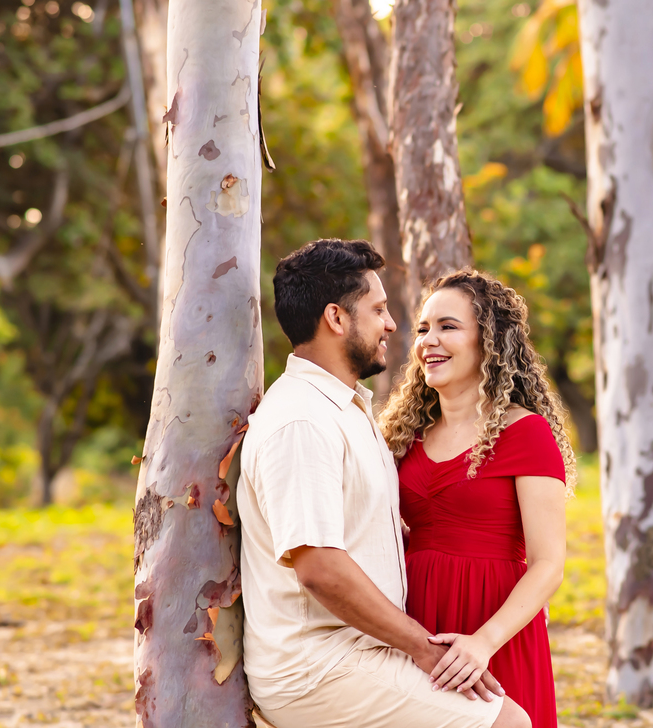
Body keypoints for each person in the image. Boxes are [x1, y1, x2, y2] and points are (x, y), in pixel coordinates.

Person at [236, 240, 530, 728]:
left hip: (358, 649)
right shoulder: (302, 421)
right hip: (318, 666)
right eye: (378, 309)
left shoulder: (347, 408)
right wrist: (422, 648)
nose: (392, 325)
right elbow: (320, 569)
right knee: (508, 724)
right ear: (336, 318)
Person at [381, 270, 577, 728]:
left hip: (493, 627)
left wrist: (483, 642)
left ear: (488, 341)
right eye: (424, 329)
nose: (429, 340)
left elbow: (549, 563)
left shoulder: (526, 432)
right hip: (414, 622)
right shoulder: (403, 436)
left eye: (448, 326)